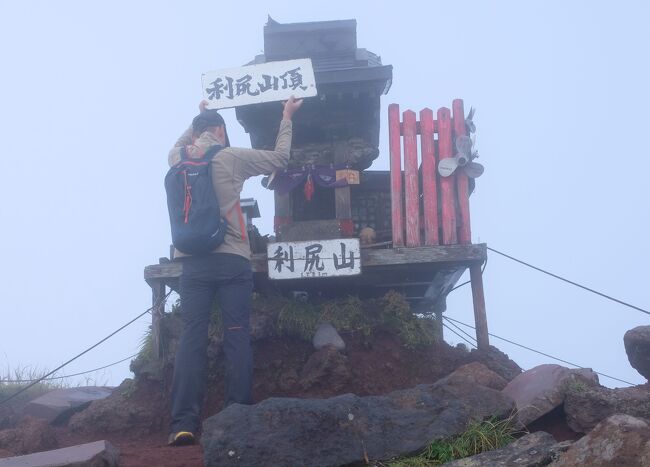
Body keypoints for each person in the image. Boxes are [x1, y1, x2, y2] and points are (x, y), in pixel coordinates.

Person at [167, 96, 303, 446]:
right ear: (221, 131)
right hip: (231, 259)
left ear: (196, 133)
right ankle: (237, 416)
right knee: (237, 333)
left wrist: (199, 119)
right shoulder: (231, 157)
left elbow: (185, 142)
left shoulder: (178, 158)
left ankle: (182, 423)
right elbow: (280, 158)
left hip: (192, 263)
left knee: (192, 337)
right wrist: (286, 116)